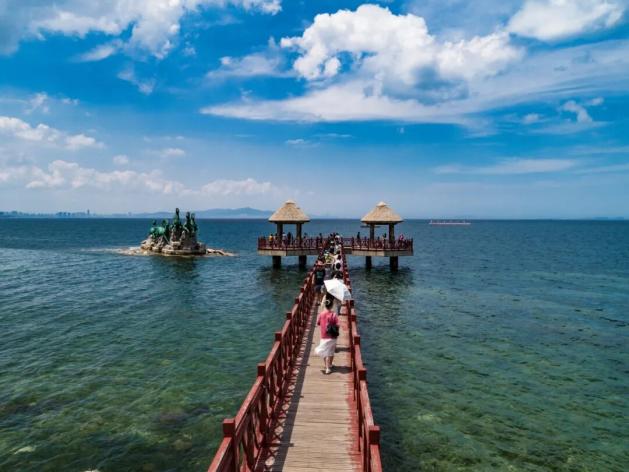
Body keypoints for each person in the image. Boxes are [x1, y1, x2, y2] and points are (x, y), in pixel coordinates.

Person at [315, 298, 339, 374]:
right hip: (333, 336)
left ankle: (327, 367)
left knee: (326, 352)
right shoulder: (334, 314)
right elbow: (338, 324)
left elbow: (318, 323)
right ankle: (330, 365)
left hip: (324, 336)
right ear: (331, 306)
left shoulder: (321, 314)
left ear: (325, 305)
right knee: (331, 351)